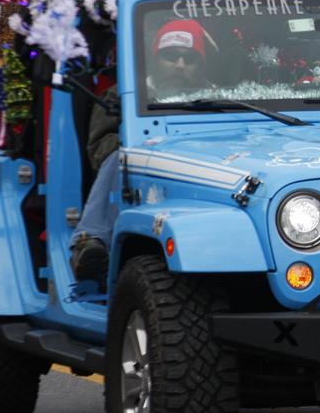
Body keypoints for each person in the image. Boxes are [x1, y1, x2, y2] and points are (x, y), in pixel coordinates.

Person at [69, 20, 213, 285]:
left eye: (189, 58)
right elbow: (99, 149)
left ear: (200, 65)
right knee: (117, 158)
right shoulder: (121, 97)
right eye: (171, 56)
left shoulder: (221, 99)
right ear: (155, 59)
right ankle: (90, 241)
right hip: (138, 181)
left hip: (198, 184)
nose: (180, 65)